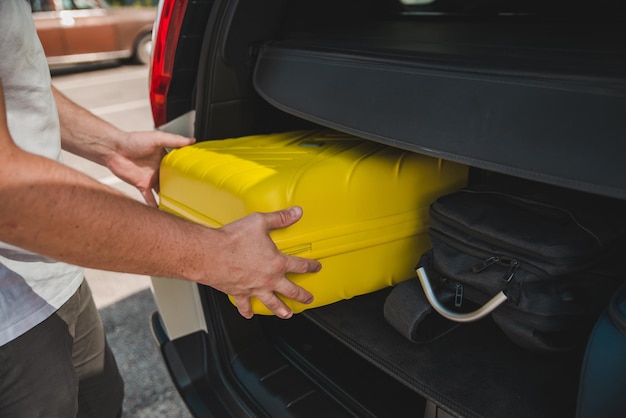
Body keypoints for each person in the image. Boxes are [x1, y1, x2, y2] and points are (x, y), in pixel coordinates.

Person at [0, 1, 321, 417]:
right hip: (10, 327)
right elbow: (11, 194)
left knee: (101, 401)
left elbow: (16, 73)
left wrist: (108, 145)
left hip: (52, 278)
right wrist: (219, 256)